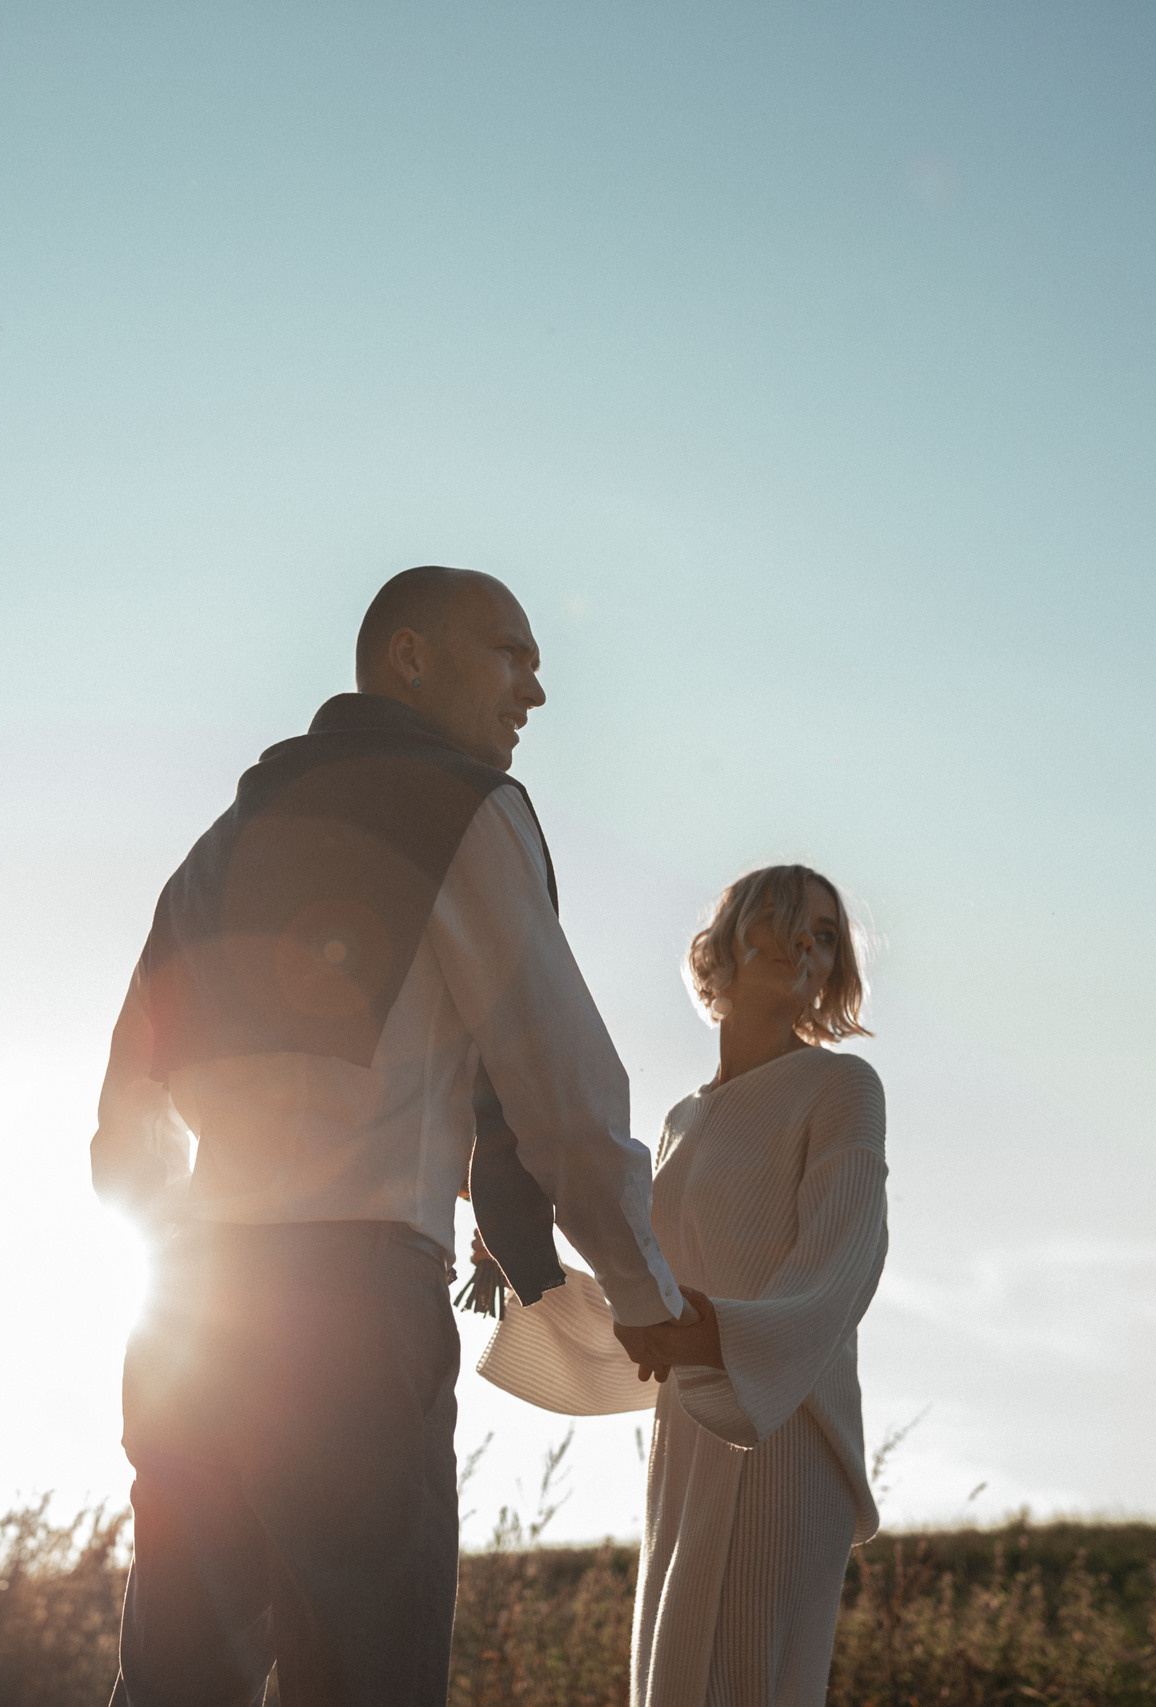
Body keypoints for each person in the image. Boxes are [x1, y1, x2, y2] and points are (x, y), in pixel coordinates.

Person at [90, 565, 695, 1707]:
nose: (536, 690)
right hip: (353, 1308)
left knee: (174, 1679)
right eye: (511, 654)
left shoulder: (221, 841)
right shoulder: (459, 807)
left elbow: (126, 1122)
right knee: (365, 1679)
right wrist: (646, 1297)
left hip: (192, 1317)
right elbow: (563, 1091)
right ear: (409, 658)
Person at [475, 864, 889, 1707]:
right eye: (784, 919)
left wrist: (720, 1338)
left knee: (754, 1682)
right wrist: (525, 1249)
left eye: (824, 934)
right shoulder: (680, 1120)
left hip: (786, 1424)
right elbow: (653, 1285)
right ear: (728, 940)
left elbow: (846, 1258)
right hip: (689, 1434)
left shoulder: (842, 1087)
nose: (806, 943)